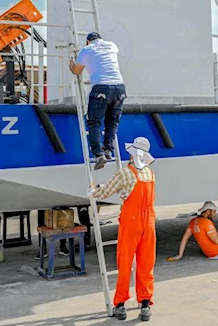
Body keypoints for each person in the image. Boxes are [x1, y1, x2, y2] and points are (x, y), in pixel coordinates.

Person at [91, 137, 156, 321]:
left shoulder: (125, 173)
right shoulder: (151, 173)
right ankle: (145, 304)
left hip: (132, 221)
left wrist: (93, 190)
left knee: (125, 262)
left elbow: (104, 192)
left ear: (132, 153)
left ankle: (120, 304)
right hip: (149, 221)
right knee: (146, 263)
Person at [70, 32, 126, 170]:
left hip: (101, 87)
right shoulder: (112, 45)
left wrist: (71, 63)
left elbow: (77, 71)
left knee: (94, 122)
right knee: (112, 121)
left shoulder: (87, 49)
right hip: (120, 87)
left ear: (88, 41)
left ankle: (98, 155)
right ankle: (108, 150)